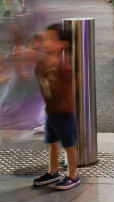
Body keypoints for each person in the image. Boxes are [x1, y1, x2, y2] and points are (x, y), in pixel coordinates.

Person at [32, 24, 80, 190]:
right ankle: (53, 171)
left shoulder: (63, 65)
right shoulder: (44, 62)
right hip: (50, 111)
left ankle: (73, 174)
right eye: (45, 38)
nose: (46, 42)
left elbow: (74, 83)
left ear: (63, 45)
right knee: (52, 142)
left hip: (64, 112)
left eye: (51, 39)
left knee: (68, 144)